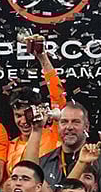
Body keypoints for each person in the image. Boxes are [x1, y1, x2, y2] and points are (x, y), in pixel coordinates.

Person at [6, 36, 64, 173]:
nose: (23, 121)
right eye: (18, 115)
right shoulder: (10, 146)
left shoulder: (54, 134)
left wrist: (42, 58)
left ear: (39, 110)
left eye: (27, 114)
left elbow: (58, 96)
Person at [39, 102, 101, 192]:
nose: (69, 127)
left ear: (86, 127)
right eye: (64, 122)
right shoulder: (44, 162)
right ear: (58, 127)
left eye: (76, 122)